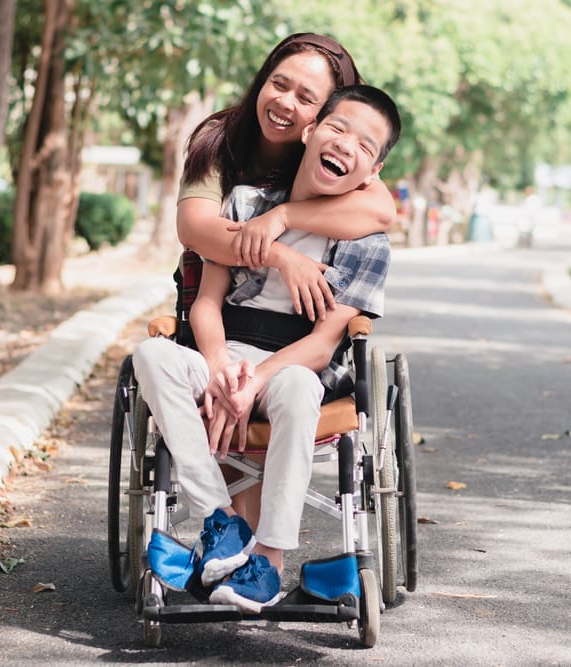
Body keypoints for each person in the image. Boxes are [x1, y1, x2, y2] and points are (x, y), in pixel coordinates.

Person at [133, 84, 402, 613]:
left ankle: (270, 561)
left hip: (291, 367)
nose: (347, 145)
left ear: (371, 175)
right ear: (309, 132)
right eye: (338, 127)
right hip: (223, 352)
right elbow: (206, 304)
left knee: (301, 385)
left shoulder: (368, 244)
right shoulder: (245, 204)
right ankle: (220, 521)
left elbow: (325, 345)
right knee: (152, 356)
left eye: (366, 146)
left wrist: (256, 379)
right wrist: (218, 368)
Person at [176, 32, 396, 323]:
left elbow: (381, 212)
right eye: (279, 84)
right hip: (218, 297)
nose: (285, 102)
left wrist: (283, 216)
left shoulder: (331, 153)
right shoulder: (219, 139)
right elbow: (194, 228)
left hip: (296, 314)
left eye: (306, 98)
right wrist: (280, 256)